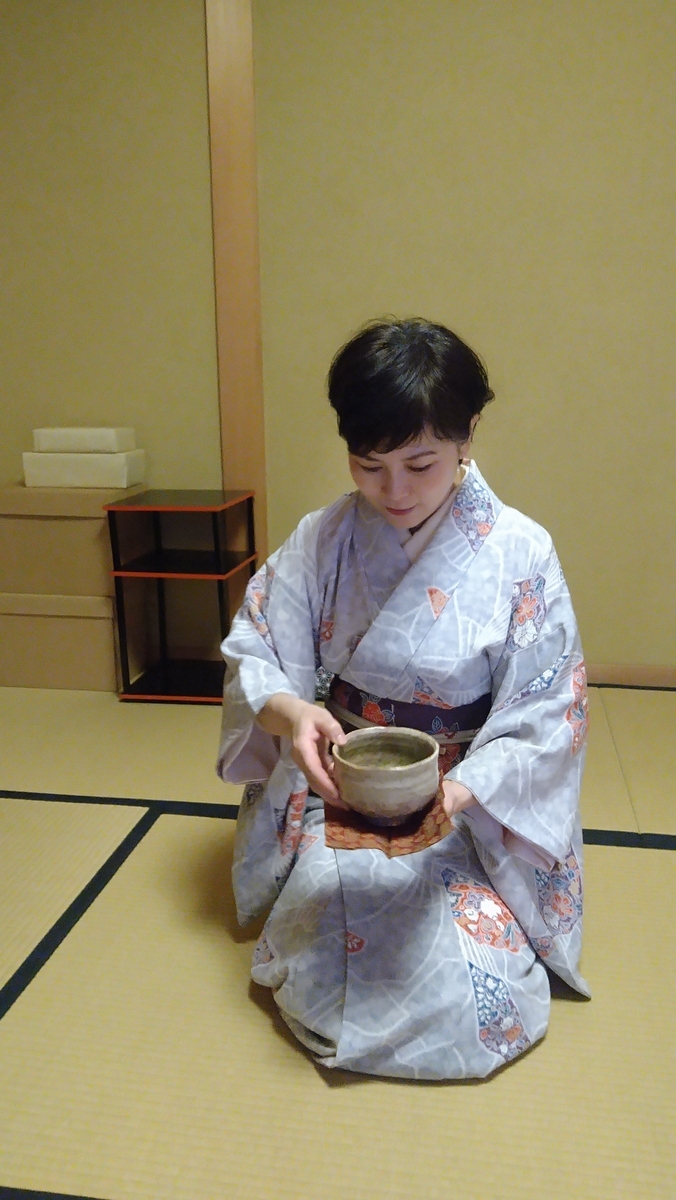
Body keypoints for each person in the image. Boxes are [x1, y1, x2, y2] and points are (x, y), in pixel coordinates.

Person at [217, 318, 589, 1081]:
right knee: (330, 949)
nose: (394, 492)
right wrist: (295, 714)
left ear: (468, 433)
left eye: (420, 464)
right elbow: (256, 646)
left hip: (468, 809)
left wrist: (459, 792)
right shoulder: (324, 538)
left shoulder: (521, 551)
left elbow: (547, 711)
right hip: (341, 790)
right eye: (369, 465)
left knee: (470, 986)